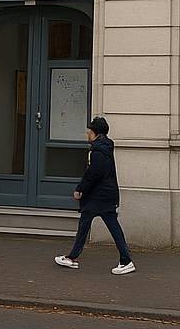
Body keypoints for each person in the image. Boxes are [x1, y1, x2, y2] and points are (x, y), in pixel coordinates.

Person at [54, 116, 135, 275]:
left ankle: (73, 258)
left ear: (95, 133)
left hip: (98, 196)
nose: (87, 134)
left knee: (88, 225)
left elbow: (93, 173)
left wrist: (80, 189)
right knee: (108, 226)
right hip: (106, 195)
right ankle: (125, 260)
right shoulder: (106, 147)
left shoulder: (97, 150)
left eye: (89, 131)